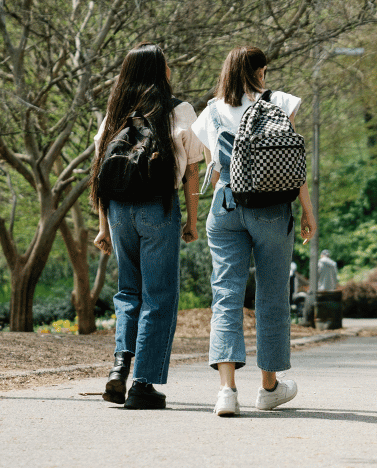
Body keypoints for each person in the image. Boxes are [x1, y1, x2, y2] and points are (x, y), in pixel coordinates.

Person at [191, 45, 316, 417]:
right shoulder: (281, 103)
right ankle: (268, 387)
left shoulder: (210, 112)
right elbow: (294, 166)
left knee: (226, 295)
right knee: (273, 295)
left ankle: (226, 391)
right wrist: (308, 212)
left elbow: (211, 161)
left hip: (225, 204)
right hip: (272, 209)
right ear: (261, 71)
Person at [92, 42, 203, 410]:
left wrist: (103, 226)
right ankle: (143, 384)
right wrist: (192, 219)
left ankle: (118, 370)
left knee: (129, 291)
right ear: (159, 71)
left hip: (119, 210)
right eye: (166, 64)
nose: (170, 69)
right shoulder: (179, 110)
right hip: (159, 206)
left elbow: (100, 173)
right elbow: (191, 169)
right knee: (159, 295)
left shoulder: (114, 113)